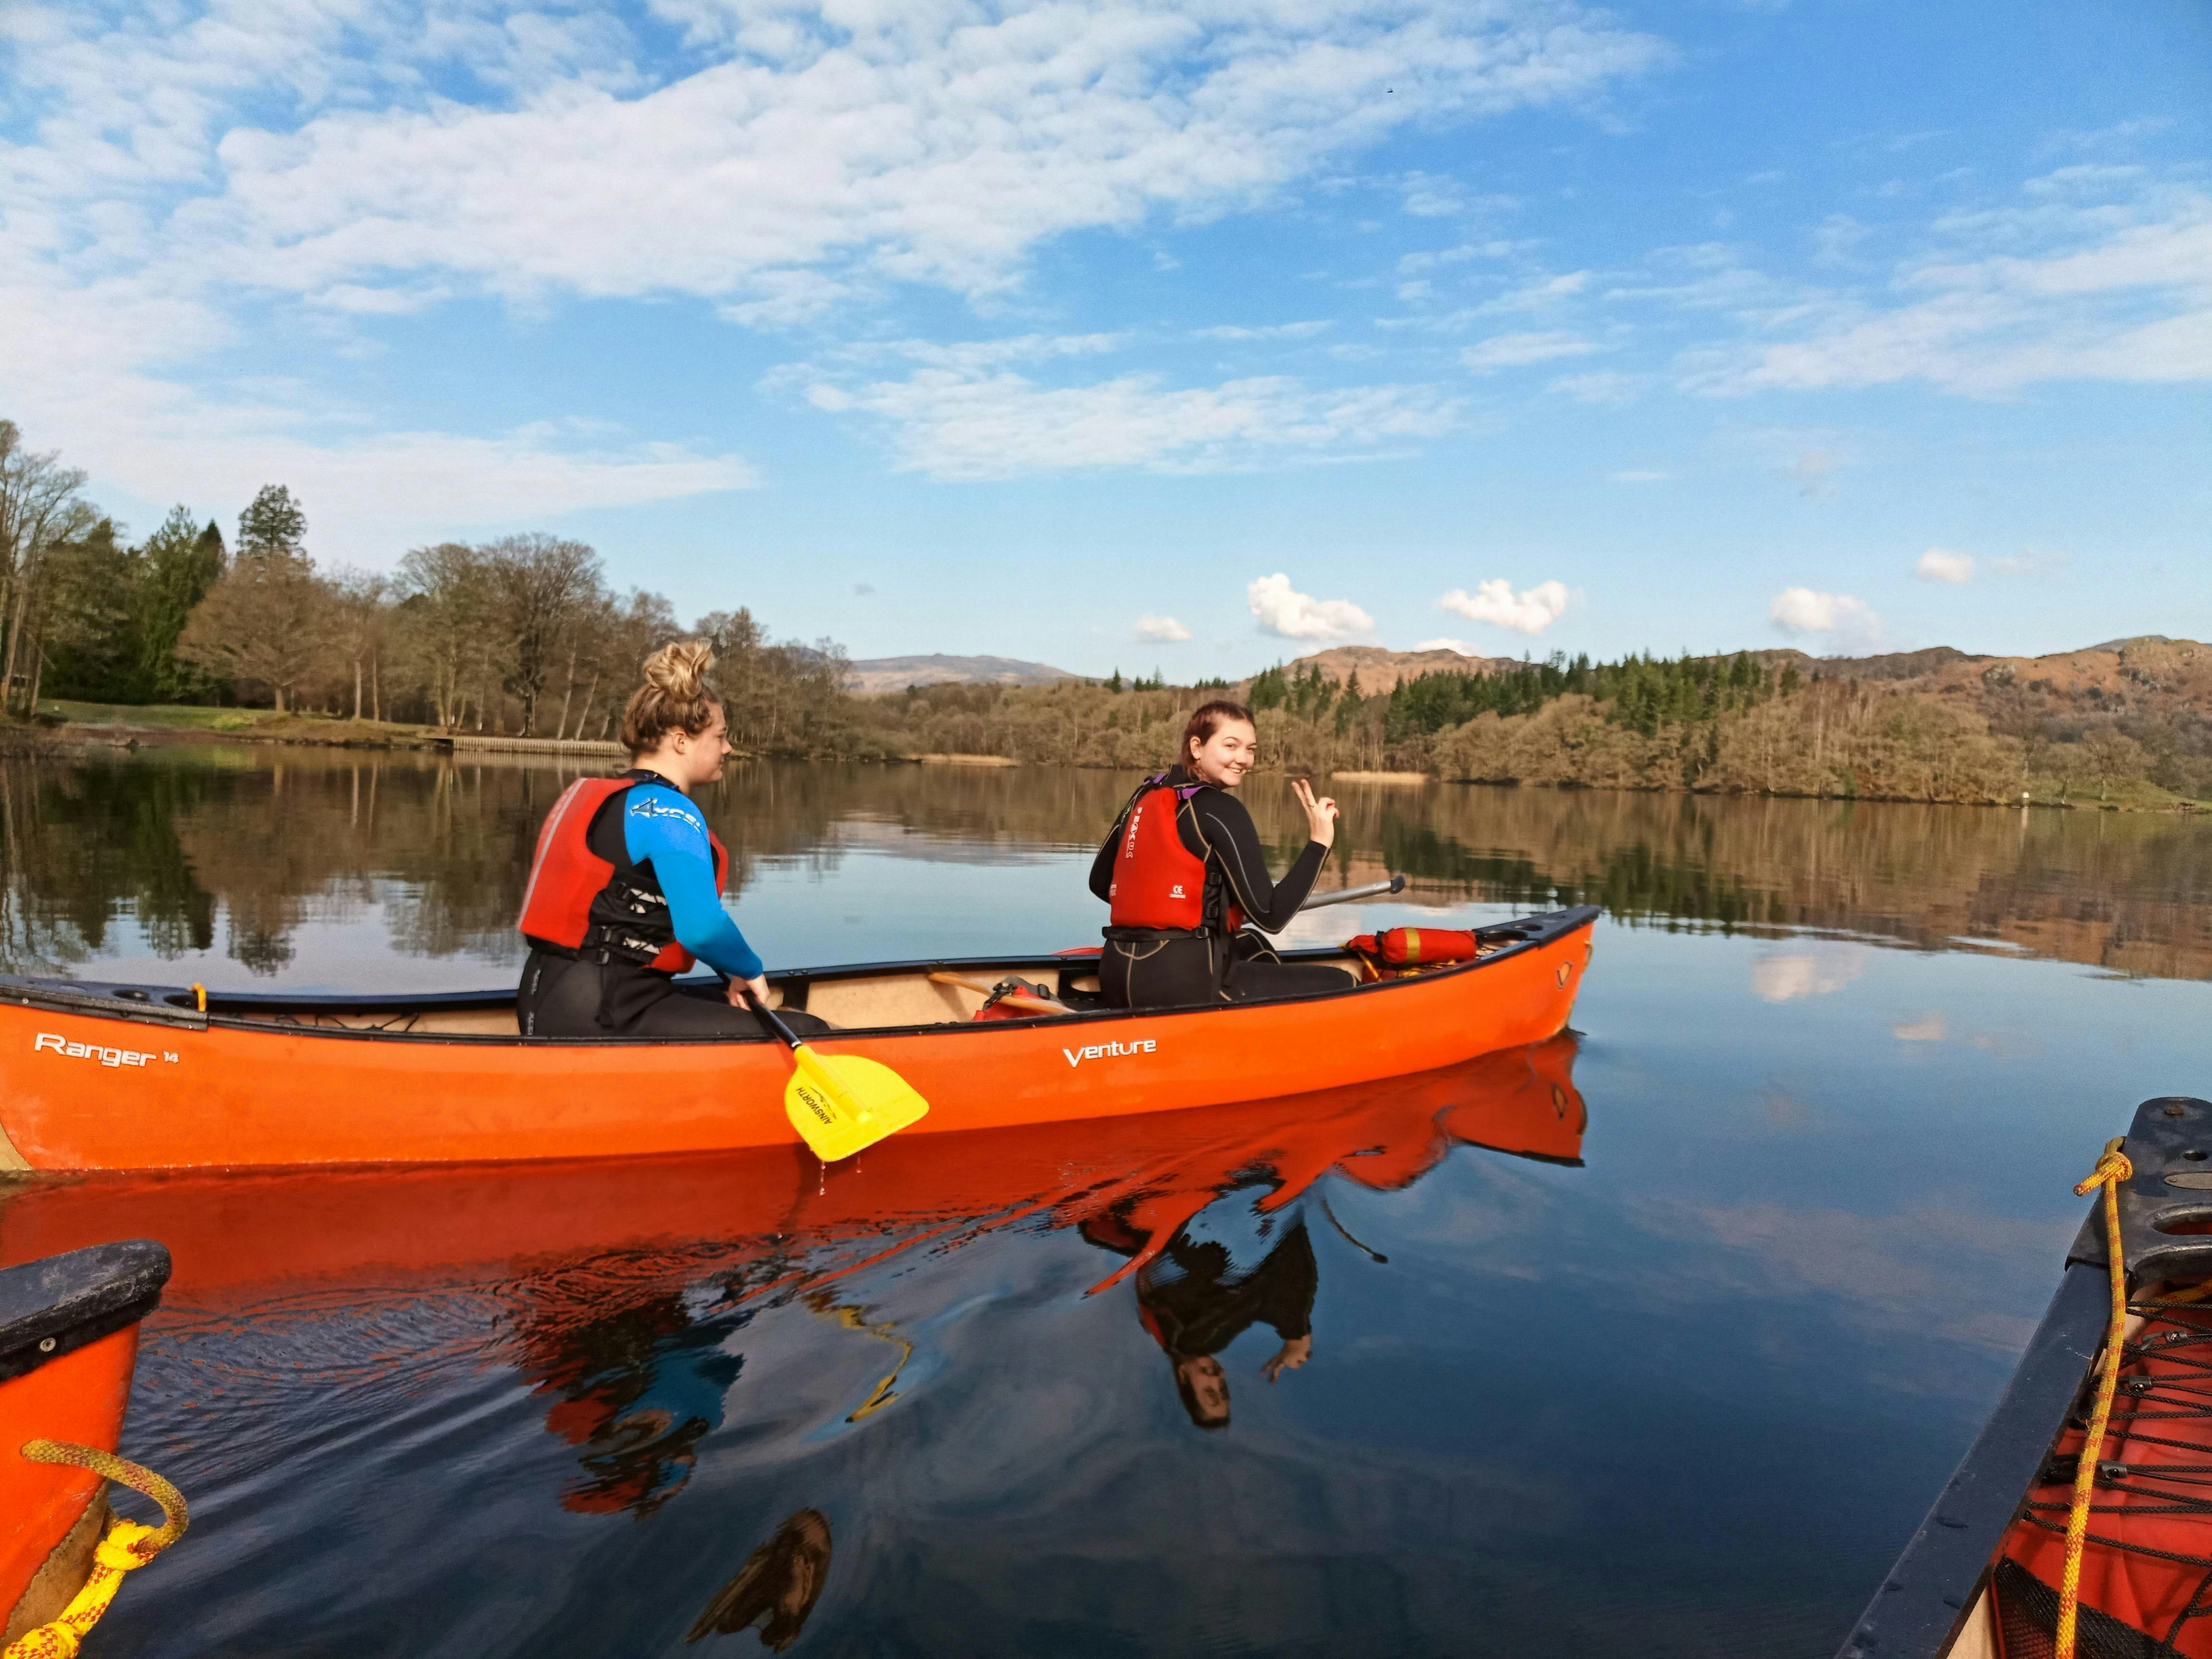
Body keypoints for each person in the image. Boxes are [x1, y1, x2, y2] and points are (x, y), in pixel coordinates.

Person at [515, 641, 828, 1041]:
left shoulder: (601, 797)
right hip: (606, 1012)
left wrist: (729, 973)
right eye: (721, 736)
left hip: (548, 996)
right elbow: (701, 928)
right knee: (812, 1031)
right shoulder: (667, 811)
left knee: (734, 1011)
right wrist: (747, 969)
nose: (728, 748)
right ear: (682, 741)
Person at [1087, 699, 1356, 1007]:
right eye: (1231, 746)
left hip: (1118, 972)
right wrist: (1319, 842)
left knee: (1252, 944)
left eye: (1251, 749)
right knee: (1346, 983)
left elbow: (1099, 883)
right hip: (1181, 985)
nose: (1244, 759)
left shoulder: (1143, 794)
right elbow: (1271, 916)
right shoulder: (1222, 809)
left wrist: (1174, 905)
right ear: (1197, 747)